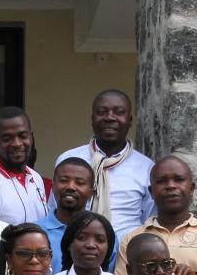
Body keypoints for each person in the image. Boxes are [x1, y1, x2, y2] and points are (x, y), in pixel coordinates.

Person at [114, 156, 197, 275]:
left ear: (191, 188)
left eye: (179, 179)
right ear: (151, 191)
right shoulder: (132, 240)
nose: (170, 186)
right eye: (162, 181)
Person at [54, 90, 155, 245]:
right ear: (92, 119)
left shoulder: (146, 167)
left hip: (125, 252)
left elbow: (148, 220)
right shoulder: (68, 160)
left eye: (119, 112)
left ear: (129, 120)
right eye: (102, 112)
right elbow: (55, 210)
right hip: (76, 250)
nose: (109, 117)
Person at [46, 211, 126, 275]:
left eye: (100, 240)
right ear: (69, 244)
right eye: (82, 238)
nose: (91, 245)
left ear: (108, 247)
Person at [0, 107, 49, 225]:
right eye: (7, 139)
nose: (17, 144)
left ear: (31, 137)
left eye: (23, 136)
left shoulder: (36, 178)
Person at [37, 158, 95, 275]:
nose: (71, 187)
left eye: (80, 182)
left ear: (91, 193)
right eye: (63, 180)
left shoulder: (101, 236)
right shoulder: (34, 232)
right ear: (53, 186)